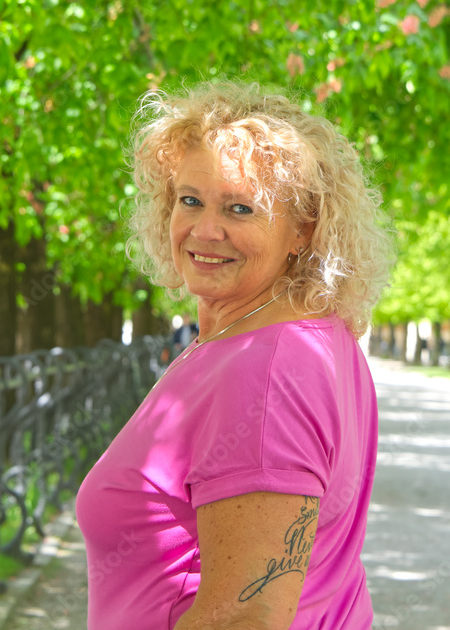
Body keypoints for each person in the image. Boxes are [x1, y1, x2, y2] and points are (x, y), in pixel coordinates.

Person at [76, 81, 393, 630]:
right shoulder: (302, 335)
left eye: (240, 208)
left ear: (302, 230)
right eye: (190, 199)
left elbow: (246, 617)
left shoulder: (264, 370)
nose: (205, 229)